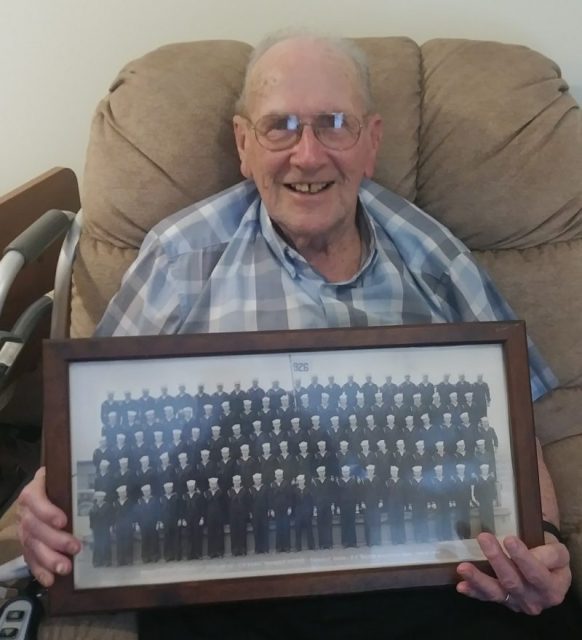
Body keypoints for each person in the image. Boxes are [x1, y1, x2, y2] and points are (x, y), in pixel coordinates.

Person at [17, 32, 575, 638]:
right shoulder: (181, 255)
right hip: (228, 588)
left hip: (429, 581)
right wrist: (46, 505)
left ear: (370, 143)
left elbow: (519, 422)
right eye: (279, 126)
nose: (307, 156)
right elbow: (90, 422)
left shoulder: (433, 254)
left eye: (334, 124)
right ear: (243, 145)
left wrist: (541, 542)